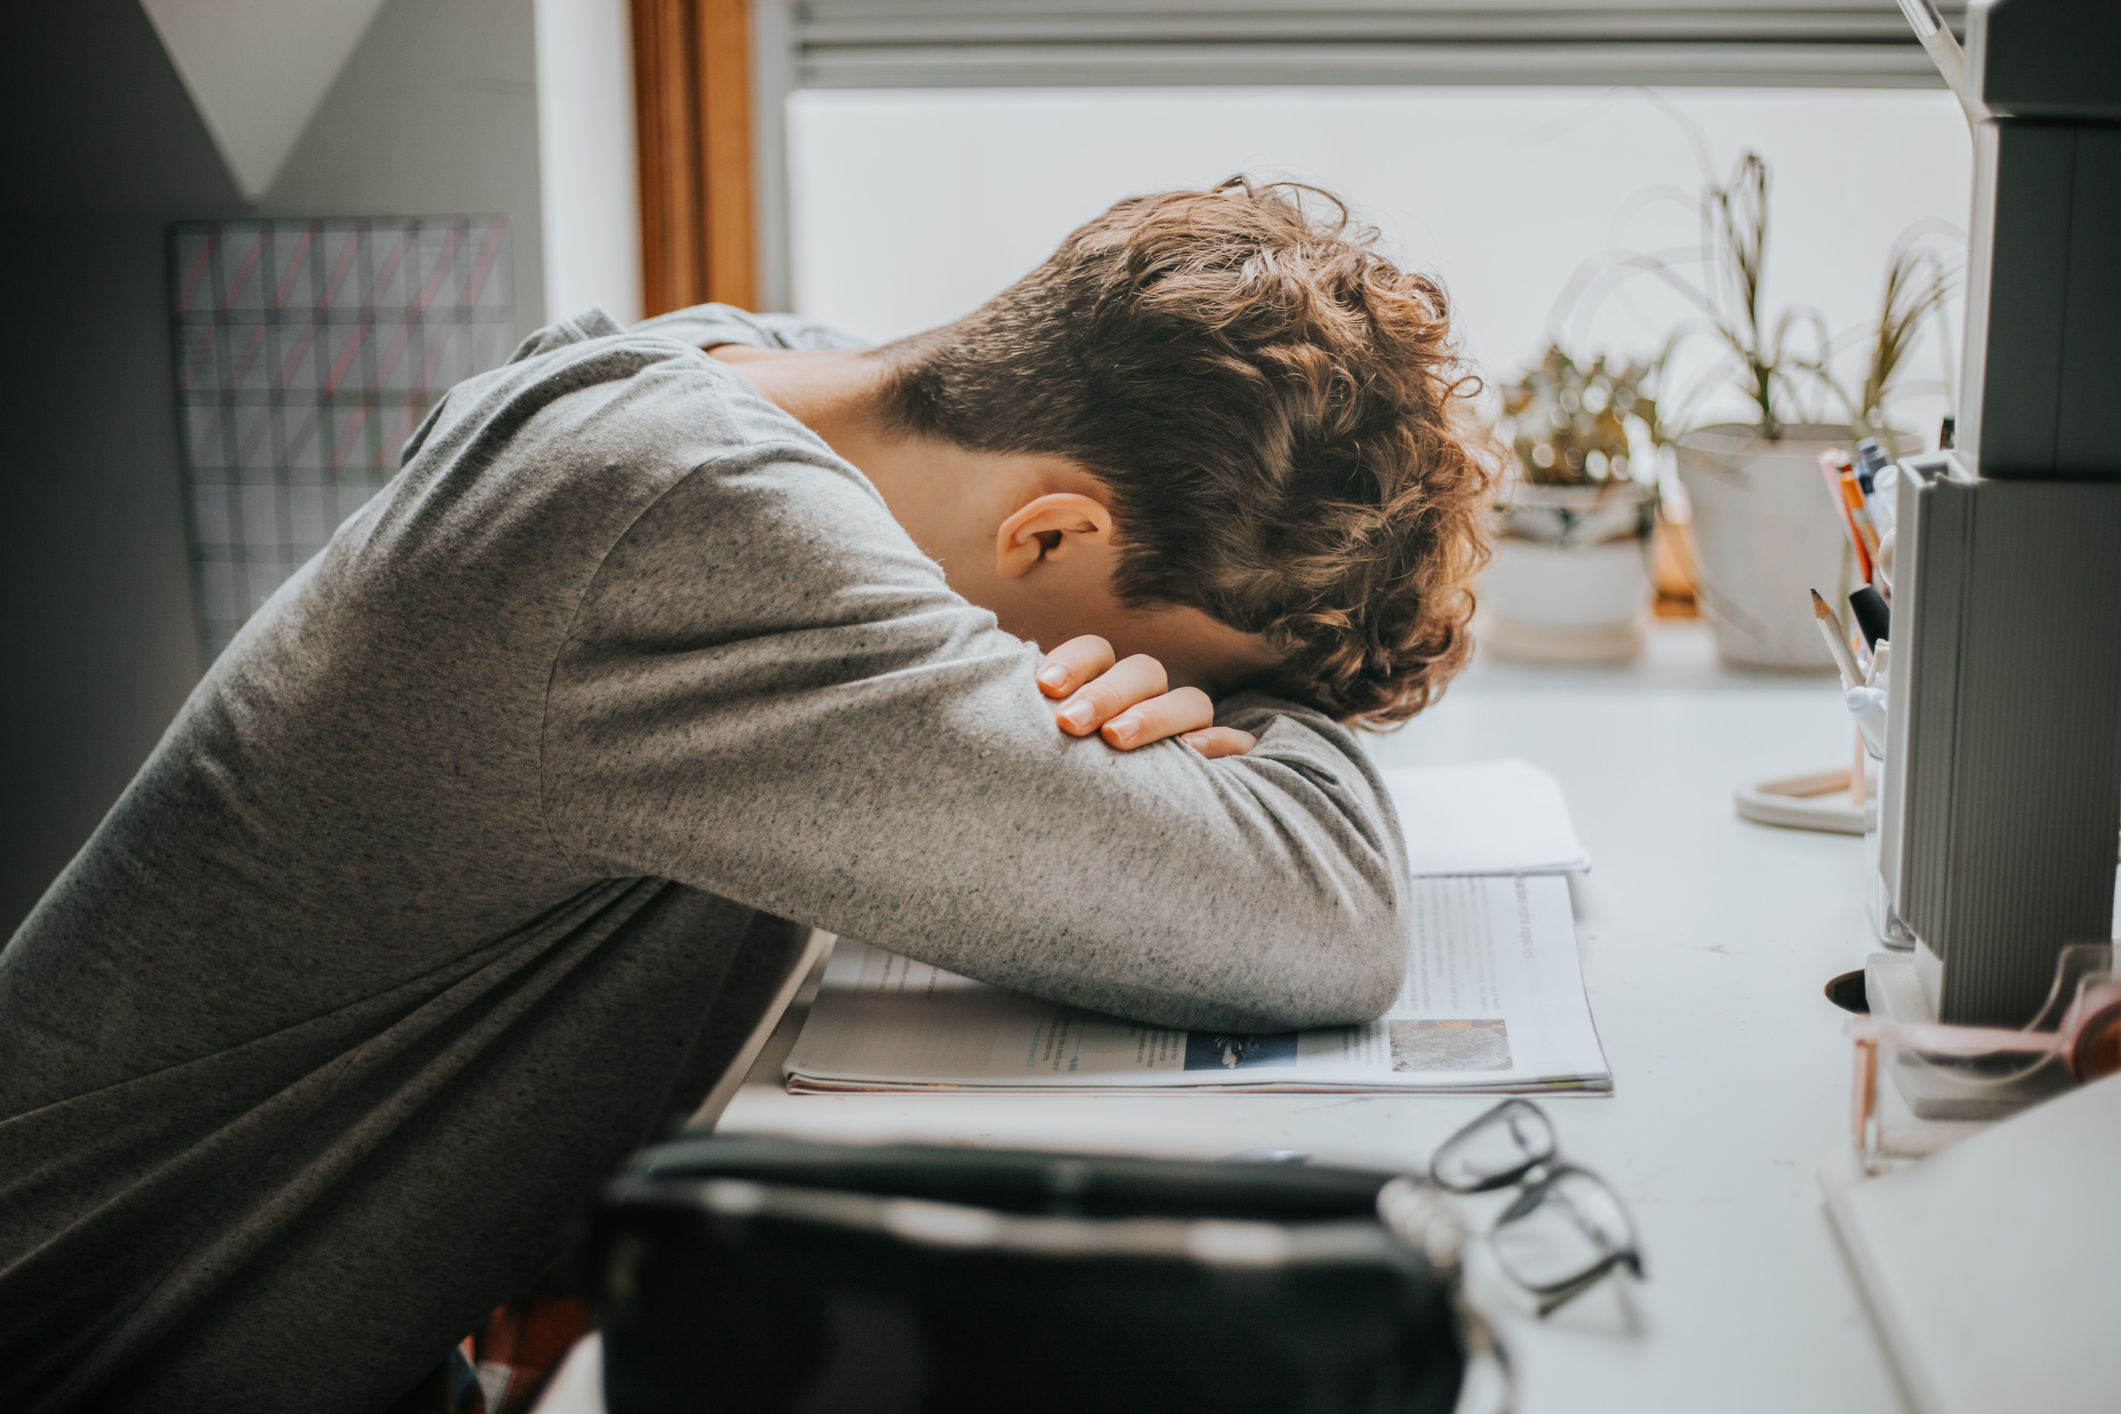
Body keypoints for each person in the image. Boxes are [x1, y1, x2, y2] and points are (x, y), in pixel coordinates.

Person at [0, 177, 1494, 1414]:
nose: (1150, 705)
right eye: (1169, 666)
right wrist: (1253, 733)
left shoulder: (753, 374)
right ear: (1049, 534)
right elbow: (1322, 915)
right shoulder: (694, 526)